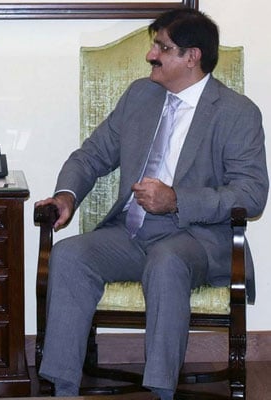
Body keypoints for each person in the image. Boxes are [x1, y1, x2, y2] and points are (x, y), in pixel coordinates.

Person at [35, 8, 268, 400]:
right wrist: (66, 195)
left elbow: (251, 193)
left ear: (192, 57)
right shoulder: (140, 96)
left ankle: (161, 391)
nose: (151, 55)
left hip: (194, 237)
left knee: (166, 262)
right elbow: (91, 155)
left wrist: (177, 200)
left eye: (162, 47)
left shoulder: (237, 113)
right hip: (130, 233)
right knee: (70, 256)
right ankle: (63, 388)